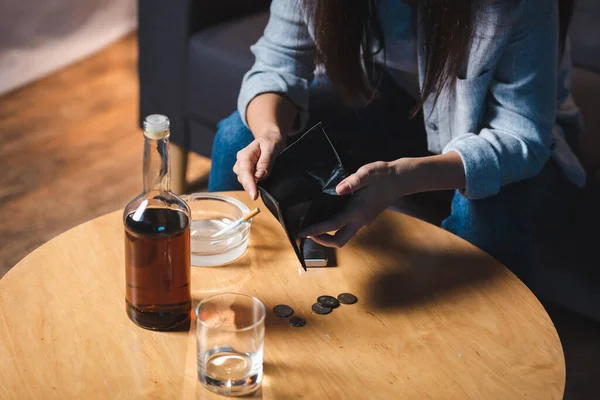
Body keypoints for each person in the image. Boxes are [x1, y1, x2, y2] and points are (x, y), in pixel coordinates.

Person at [208, 0, 585, 283]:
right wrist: (270, 132)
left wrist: (402, 177)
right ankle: (232, 302)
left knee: (484, 218)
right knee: (237, 138)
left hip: (506, 133)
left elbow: (522, 136)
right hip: (391, 98)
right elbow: (278, 62)